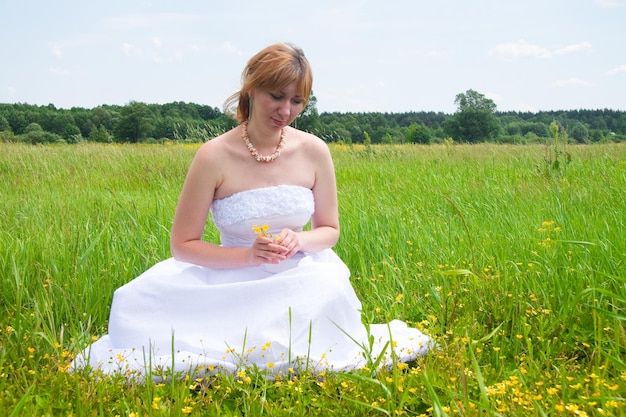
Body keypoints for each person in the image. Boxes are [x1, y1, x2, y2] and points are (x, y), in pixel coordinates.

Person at [71, 43, 433, 380]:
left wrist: (300, 239)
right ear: (251, 89)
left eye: (297, 101)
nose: (286, 111)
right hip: (231, 273)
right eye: (276, 96)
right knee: (137, 301)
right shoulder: (212, 156)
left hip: (300, 274)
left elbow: (330, 230)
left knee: (327, 283)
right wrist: (247, 255)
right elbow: (183, 244)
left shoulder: (314, 150)